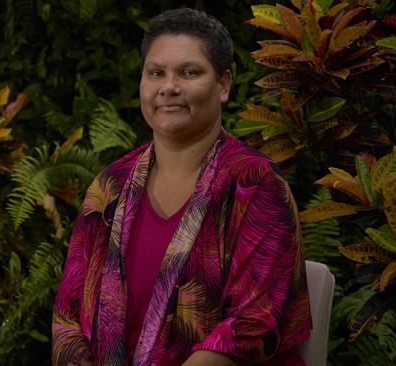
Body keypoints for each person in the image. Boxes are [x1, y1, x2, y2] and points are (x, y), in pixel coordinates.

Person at [52, 8, 311, 366]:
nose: (169, 86)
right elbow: (68, 317)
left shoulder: (255, 184)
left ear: (223, 85)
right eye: (156, 72)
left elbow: (252, 328)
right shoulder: (111, 185)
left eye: (189, 72)